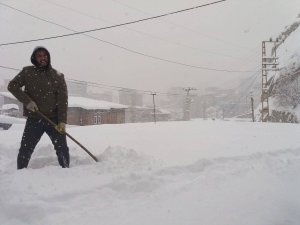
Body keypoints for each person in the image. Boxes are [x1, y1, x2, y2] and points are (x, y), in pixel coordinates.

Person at [8, 46, 69, 169]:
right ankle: (20, 172)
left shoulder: (58, 76)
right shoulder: (27, 72)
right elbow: (12, 86)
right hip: (34, 119)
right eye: (39, 56)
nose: (43, 58)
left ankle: (66, 170)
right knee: (26, 148)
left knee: (62, 148)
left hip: (54, 120)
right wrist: (28, 102)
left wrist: (62, 121)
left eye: (45, 55)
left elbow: (63, 100)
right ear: (34, 58)